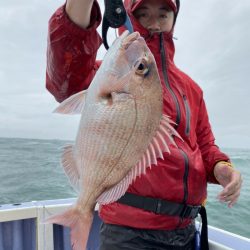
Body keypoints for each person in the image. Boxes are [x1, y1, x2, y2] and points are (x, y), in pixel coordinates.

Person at [46, 0, 243, 249]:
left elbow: (205, 146)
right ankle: (83, 208)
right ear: (128, 15)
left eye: (163, 14)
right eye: (144, 13)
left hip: (185, 230)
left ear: (174, 19)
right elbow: (66, 77)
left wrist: (221, 168)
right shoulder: (105, 75)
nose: (155, 23)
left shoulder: (192, 89)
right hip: (129, 234)